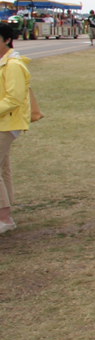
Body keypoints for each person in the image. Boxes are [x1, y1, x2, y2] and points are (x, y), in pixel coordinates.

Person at [0, 22, 32, 234]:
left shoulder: (12, 65)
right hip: (5, 121)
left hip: (7, 123)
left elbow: (14, 98)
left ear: (6, 40)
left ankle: (4, 217)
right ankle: (6, 213)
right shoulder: (6, 63)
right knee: (4, 168)